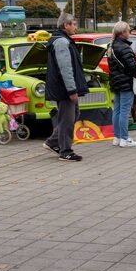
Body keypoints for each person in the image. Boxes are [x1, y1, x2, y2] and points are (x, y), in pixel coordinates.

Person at [43, 13, 87, 162]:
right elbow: (65, 68)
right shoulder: (61, 42)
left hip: (64, 87)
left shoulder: (64, 40)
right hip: (64, 89)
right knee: (67, 119)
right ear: (65, 25)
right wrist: (71, 90)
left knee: (74, 114)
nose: (75, 27)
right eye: (73, 24)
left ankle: (53, 142)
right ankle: (66, 151)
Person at [108, 21, 136, 147]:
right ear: (122, 33)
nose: (129, 33)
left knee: (117, 110)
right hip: (126, 82)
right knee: (124, 111)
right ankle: (125, 138)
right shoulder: (124, 47)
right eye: (128, 30)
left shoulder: (111, 46)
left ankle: (117, 137)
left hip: (116, 82)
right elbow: (131, 66)